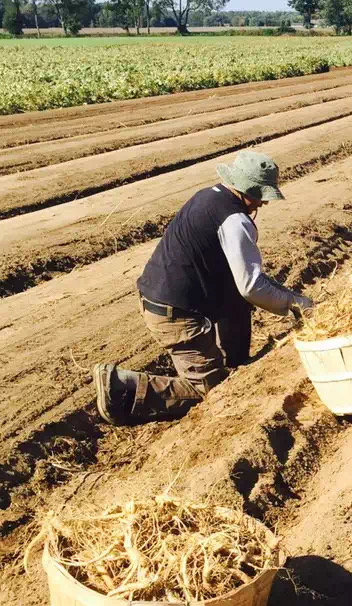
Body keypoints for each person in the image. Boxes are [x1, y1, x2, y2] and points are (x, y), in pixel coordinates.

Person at [93, 150, 314, 426]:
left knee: (233, 299)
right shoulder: (236, 221)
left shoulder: (207, 197)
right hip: (175, 315)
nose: (263, 204)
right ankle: (122, 385)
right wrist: (298, 305)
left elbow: (239, 284)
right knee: (213, 391)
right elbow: (251, 287)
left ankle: (233, 361)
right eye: (261, 196)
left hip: (156, 296)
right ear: (249, 191)